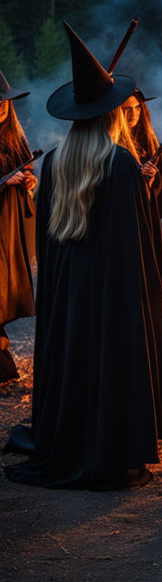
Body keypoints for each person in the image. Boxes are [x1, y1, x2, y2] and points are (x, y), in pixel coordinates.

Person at [5, 24, 162, 489]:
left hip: (67, 292)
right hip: (111, 293)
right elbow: (135, 246)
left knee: (72, 361)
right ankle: (107, 448)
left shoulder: (55, 163)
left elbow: (49, 240)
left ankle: (68, 441)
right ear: (110, 116)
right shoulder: (120, 163)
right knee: (108, 363)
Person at [0, 71, 36, 382]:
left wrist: (28, 181)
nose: (1, 106)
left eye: (4, 102)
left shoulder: (14, 135)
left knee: (5, 292)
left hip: (8, 230)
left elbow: (27, 173)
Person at [121, 89, 162, 220]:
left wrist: (152, 178)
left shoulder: (149, 141)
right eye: (127, 109)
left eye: (137, 107)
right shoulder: (109, 142)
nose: (133, 114)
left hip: (144, 214)